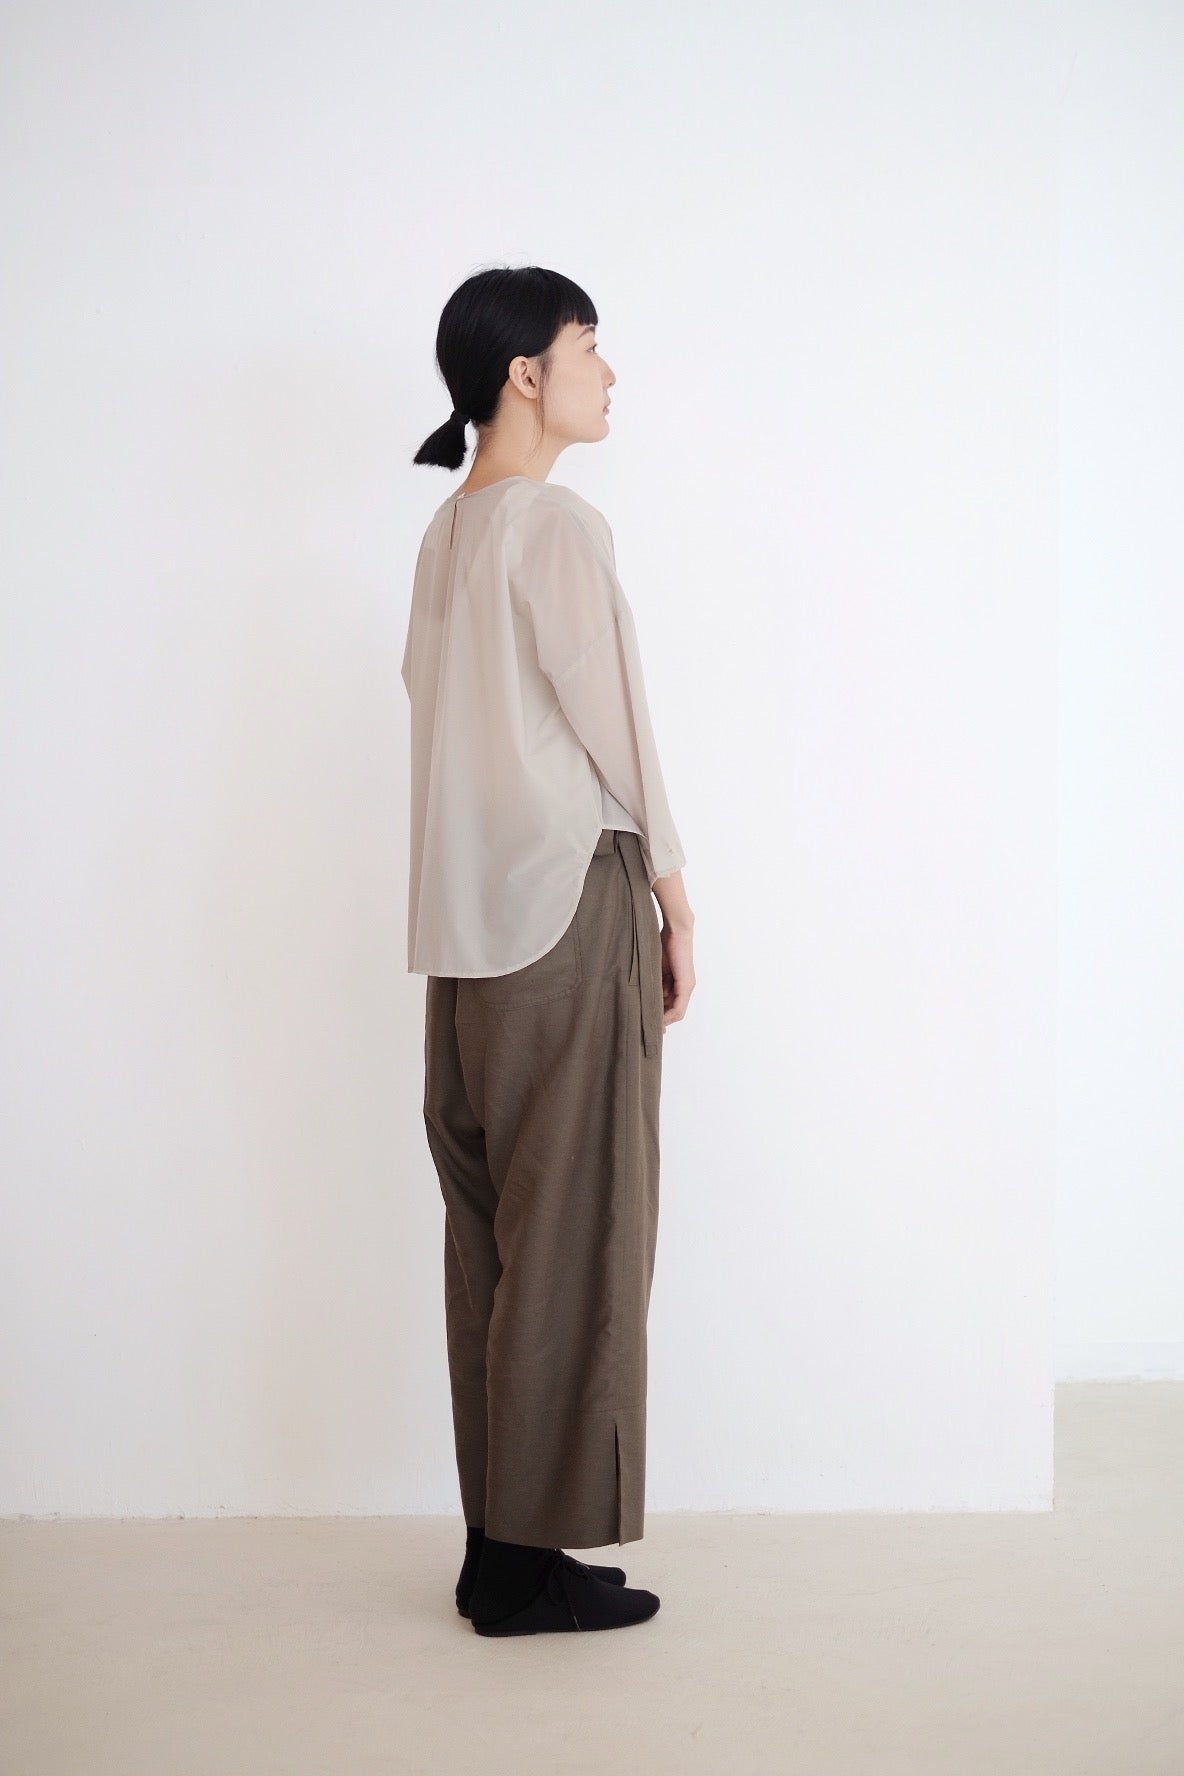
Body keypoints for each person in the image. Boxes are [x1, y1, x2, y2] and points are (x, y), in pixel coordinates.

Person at [403, 265, 695, 1636]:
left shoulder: (447, 532)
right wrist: (676, 896)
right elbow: (617, 728)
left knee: (493, 1251)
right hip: (565, 913)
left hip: (465, 940)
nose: (608, 372)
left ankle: (498, 1552)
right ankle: (524, 1564)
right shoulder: (554, 526)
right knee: (576, 1237)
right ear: (526, 373)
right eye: (589, 346)